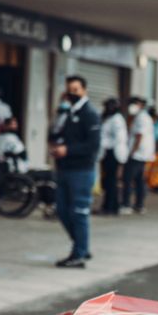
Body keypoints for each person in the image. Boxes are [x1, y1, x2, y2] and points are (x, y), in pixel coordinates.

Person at [48, 76, 101, 268]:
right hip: (64, 169)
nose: (72, 94)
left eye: (76, 90)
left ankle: (79, 254)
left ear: (84, 90)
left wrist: (68, 150)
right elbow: (54, 133)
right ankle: (82, 246)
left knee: (79, 212)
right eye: (69, 90)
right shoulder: (67, 113)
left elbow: (93, 145)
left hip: (81, 171)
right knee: (62, 210)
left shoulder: (90, 114)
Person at [126, 96, 156, 214]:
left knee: (128, 178)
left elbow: (139, 135)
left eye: (135, 103)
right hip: (141, 153)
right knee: (139, 180)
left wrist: (132, 151)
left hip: (138, 154)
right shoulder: (140, 117)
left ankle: (127, 204)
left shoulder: (141, 118)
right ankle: (139, 204)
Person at [97, 98, 126, 216]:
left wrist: (106, 145)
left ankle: (110, 207)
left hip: (113, 153)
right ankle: (112, 206)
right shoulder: (109, 118)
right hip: (107, 152)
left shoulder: (117, 120)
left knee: (111, 181)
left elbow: (118, 138)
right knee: (109, 181)